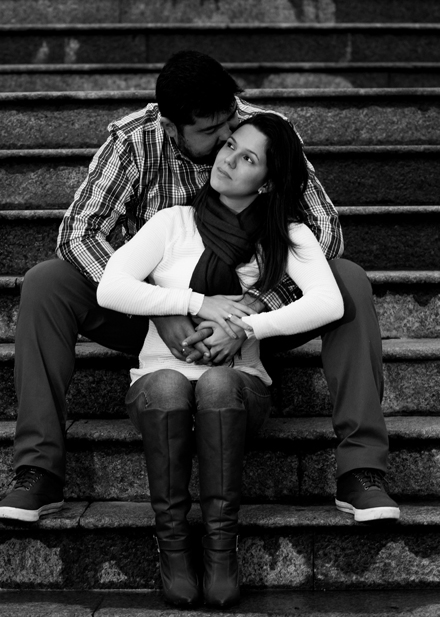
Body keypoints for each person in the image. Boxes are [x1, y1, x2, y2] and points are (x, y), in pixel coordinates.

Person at [0, 50, 398, 529]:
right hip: (152, 319)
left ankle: (362, 469)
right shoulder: (134, 142)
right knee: (46, 282)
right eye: (212, 133)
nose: (228, 140)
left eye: (230, 120)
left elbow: (324, 230)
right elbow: (78, 235)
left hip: (257, 319)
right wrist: (163, 311)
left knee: (346, 278)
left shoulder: (258, 132)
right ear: (170, 127)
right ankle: (38, 469)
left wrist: (253, 308)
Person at [96, 112, 344, 607]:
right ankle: (173, 547)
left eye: (247, 158)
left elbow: (328, 302)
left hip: (239, 385)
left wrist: (245, 326)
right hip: (156, 378)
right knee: (168, 385)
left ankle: (220, 548)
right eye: (230, 145)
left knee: (216, 386)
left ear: (268, 180)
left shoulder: (286, 235)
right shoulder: (172, 222)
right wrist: (194, 303)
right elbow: (111, 286)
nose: (228, 159)